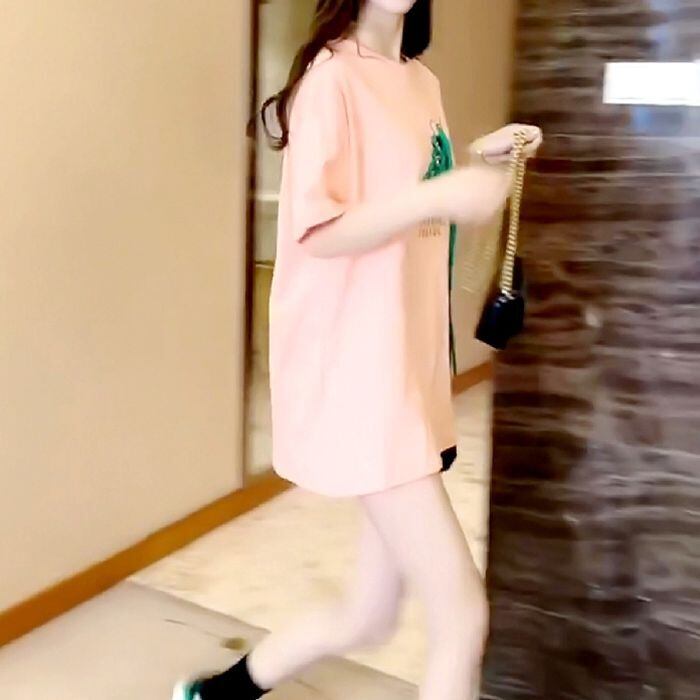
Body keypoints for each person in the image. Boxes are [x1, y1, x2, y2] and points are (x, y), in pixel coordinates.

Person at [173, 1, 542, 699]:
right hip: (360, 377)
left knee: (368, 615)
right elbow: (318, 231)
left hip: (407, 365)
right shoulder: (331, 77)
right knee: (462, 617)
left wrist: (475, 162)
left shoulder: (419, 80)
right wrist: (442, 197)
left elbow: (409, 201)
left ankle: (218, 694)